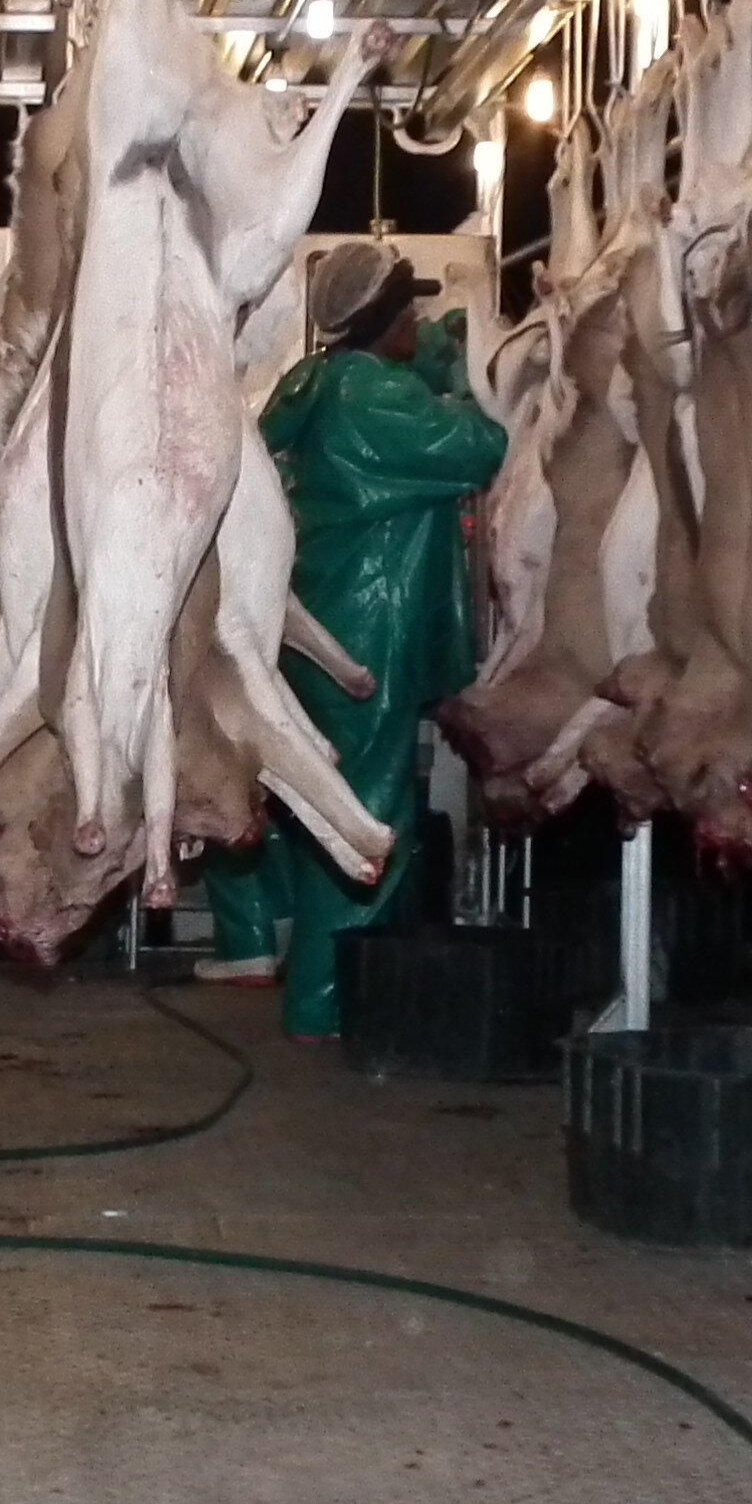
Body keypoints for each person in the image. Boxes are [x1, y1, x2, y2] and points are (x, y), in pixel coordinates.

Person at [198, 242, 506, 1041]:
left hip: (318, 625)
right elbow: (477, 447)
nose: (418, 324)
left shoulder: (317, 381)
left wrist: (437, 352)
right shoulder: (373, 395)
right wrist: (477, 365)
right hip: (371, 630)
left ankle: (353, 978)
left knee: (331, 806)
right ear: (380, 322)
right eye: (409, 314)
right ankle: (327, 1003)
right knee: (361, 815)